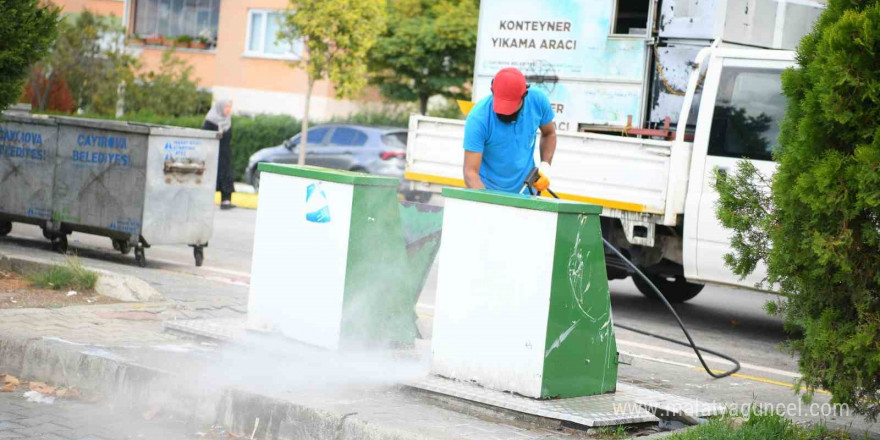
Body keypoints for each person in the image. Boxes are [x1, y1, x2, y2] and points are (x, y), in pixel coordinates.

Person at [462, 67, 557, 194]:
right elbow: (470, 173)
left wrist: (545, 166)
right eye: (501, 107)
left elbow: (549, 134)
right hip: (488, 191)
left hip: (526, 193)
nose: (505, 113)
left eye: (510, 107)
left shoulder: (538, 101)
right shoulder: (479, 118)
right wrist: (487, 203)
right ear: (492, 91)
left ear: (524, 95)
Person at [203, 100, 235, 209]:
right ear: (220, 107)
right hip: (212, 154)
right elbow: (205, 137)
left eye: (230, 107)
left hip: (225, 154)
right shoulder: (210, 121)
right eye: (226, 107)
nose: (228, 110)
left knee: (226, 176)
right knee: (210, 177)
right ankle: (205, 201)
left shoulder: (228, 121)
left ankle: (226, 201)